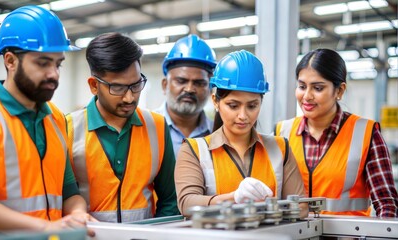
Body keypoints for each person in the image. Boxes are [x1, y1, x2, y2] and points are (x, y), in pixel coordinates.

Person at [0, 5, 95, 235]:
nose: (54, 74)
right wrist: (46, 228)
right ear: (10, 61)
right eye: (42, 63)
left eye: (58, 64)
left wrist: (77, 213)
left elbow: (69, 192)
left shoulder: (56, 118)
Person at [175, 50, 308, 218]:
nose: (243, 115)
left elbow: (302, 208)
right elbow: (187, 204)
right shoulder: (193, 150)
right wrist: (234, 198)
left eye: (252, 106)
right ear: (216, 101)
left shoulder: (280, 148)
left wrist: (267, 208)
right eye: (233, 105)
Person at [66, 32, 180, 223]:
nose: (129, 98)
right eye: (117, 88)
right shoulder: (67, 129)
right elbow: (61, 197)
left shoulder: (157, 127)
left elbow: (170, 199)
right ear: (94, 85)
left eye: (136, 85)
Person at [274, 48, 398, 217]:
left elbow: (387, 204)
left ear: (339, 91)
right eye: (302, 86)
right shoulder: (282, 132)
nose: (307, 96)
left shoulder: (366, 134)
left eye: (317, 88)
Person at [155, 34, 217, 156]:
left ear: (210, 89)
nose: (189, 89)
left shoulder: (218, 134)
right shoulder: (146, 128)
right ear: (165, 85)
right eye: (181, 81)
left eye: (199, 83)